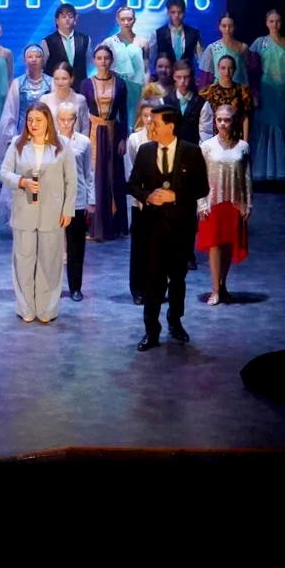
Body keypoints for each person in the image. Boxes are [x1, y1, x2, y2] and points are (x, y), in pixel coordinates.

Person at [127, 105, 209, 351]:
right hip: (152, 228)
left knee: (178, 278)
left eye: (155, 123)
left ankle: (175, 321)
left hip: (180, 228)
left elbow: (202, 188)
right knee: (152, 280)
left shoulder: (192, 152)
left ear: (170, 126)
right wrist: (147, 196)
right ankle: (151, 331)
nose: (150, 126)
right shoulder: (145, 151)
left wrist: (175, 196)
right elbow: (132, 185)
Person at [1, 102, 75, 322]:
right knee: (23, 261)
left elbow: (71, 181)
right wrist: (21, 181)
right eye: (30, 120)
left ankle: (47, 309)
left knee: (49, 262)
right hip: (24, 212)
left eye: (39, 120)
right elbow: (4, 172)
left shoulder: (62, 145)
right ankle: (26, 308)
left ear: (47, 121)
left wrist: (68, 210)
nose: (33, 124)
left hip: (52, 213)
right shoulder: (18, 144)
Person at [197, 104, 253, 306]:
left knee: (228, 244)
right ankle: (215, 288)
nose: (222, 123)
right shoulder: (207, 146)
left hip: (234, 202)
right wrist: (201, 204)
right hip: (213, 201)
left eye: (226, 120)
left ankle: (223, 286)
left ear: (233, 122)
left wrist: (248, 202)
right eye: (219, 120)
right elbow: (200, 177)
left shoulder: (243, 146)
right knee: (215, 245)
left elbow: (247, 177)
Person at [80, 44, 128, 241]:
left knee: (113, 176)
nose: (103, 62)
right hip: (92, 132)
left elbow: (124, 112)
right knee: (93, 175)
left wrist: (123, 138)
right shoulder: (86, 84)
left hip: (113, 133)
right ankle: (93, 225)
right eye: (99, 58)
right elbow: (82, 113)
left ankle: (113, 226)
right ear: (94, 61)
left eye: (106, 58)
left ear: (111, 60)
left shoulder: (120, 83)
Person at [248, 9, 285, 181]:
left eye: (278, 21)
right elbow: (250, 67)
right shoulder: (260, 43)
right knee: (265, 126)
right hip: (266, 89)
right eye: (272, 21)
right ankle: (262, 171)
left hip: (284, 91)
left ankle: (282, 172)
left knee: (282, 126)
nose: (275, 24)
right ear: (266, 23)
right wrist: (253, 92)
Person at [125, 98, 162, 305]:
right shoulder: (135, 140)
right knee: (139, 246)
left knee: (158, 247)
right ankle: (137, 289)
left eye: (152, 116)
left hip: (160, 201)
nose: (149, 119)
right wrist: (140, 197)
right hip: (140, 201)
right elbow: (130, 170)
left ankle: (155, 288)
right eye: (145, 115)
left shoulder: (166, 138)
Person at [56, 102, 92, 302]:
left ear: (75, 120)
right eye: (62, 119)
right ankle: (52, 287)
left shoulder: (84, 142)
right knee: (52, 246)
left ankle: (75, 287)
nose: (66, 123)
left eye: (69, 119)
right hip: (54, 200)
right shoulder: (51, 141)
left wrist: (91, 200)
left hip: (76, 199)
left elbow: (88, 172)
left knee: (76, 246)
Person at [0, 44, 54, 158]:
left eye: (37, 56)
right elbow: (10, 113)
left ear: (43, 60)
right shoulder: (18, 83)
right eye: (30, 56)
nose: (34, 60)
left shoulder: (51, 83)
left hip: (45, 134)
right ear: (25, 60)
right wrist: (12, 137)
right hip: (22, 134)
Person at [102, 7, 151, 125]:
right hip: (117, 87)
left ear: (134, 20)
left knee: (134, 121)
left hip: (137, 88)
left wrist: (146, 90)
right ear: (117, 20)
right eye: (123, 19)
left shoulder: (143, 42)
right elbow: (103, 68)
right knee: (118, 121)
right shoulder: (109, 43)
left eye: (129, 19)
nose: (126, 22)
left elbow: (146, 68)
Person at [199, 55, 253, 143]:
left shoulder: (242, 91)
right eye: (223, 68)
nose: (227, 72)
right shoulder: (209, 91)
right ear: (218, 69)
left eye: (230, 68)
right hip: (215, 139)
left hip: (236, 139)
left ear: (234, 69)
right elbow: (204, 120)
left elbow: (245, 118)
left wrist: (245, 142)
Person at [150, 0, 204, 82]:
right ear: (168, 13)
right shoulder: (158, 33)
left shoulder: (194, 33)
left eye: (179, 12)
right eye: (173, 12)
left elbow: (202, 59)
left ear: (184, 13)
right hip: (164, 80)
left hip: (186, 80)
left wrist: (202, 78)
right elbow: (148, 57)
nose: (176, 15)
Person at [199, 12, 250, 92]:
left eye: (230, 26)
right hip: (218, 91)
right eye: (224, 26)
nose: (227, 29)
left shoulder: (243, 47)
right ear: (219, 27)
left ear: (235, 27)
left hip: (238, 91)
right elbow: (206, 76)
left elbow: (247, 72)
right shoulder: (212, 48)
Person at [39, 3, 90, 79]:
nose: (67, 19)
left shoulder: (85, 40)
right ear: (57, 20)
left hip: (79, 84)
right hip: (56, 84)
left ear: (75, 19)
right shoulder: (47, 42)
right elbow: (42, 66)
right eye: (63, 16)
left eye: (70, 16)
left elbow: (87, 63)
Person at [38, 64, 90, 136]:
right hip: (52, 141)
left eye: (64, 79)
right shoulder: (45, 100)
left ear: (71, 79)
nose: (60, 82)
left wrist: (82, 142)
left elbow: (85, 127)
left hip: (76, 141)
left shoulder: (80, 100)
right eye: (56, 79)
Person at [164, 59, 202, 147]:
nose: (182, 81)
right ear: (174, 77)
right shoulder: (165, 101)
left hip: (193, 149)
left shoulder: (201, 103)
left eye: (186, 77)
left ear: (191, 77)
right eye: (179, 77)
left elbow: (205, 132)